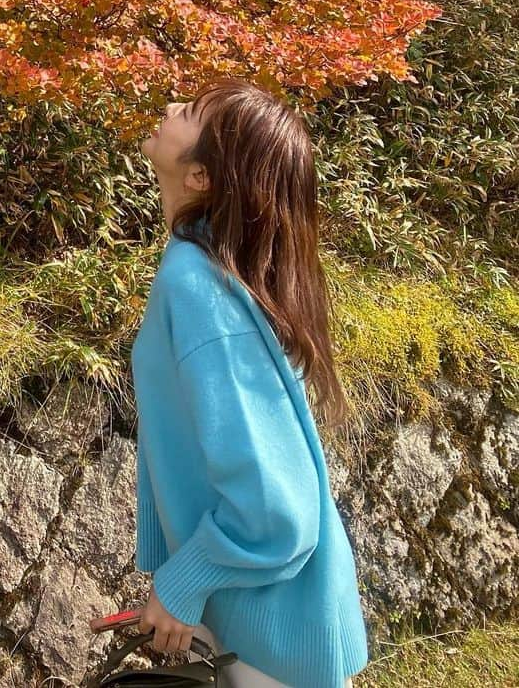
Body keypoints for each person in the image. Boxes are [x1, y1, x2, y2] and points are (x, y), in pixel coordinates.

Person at [129, 77, 370, 688]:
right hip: (267, 619)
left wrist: (185, 581)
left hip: (271, 636)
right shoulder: (210, 266)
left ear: (202, 177)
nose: (171, 106)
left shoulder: (198, 283)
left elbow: (277, 512)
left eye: (192, 113)